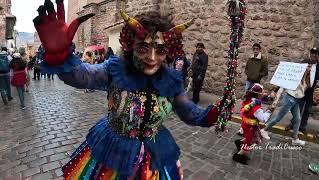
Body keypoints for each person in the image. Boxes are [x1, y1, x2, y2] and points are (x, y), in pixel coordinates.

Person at [33, 1, 220, 179]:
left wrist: (209, 115)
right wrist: (61, 56)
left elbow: (188, 111)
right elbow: (83, 76)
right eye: (143, 48)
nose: (152, 57)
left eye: (160, 50)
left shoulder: (171, 81)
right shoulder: (115, 70)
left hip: (154, 152)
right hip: (114, 150)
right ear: (131, 46)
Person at [260, 63, 312, 146]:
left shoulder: (307, 79)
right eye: (307, 66)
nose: (308, 68)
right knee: (278, 118)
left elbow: (305, 90)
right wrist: (275, 91)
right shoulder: (296, 75)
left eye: (310, 67)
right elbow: (283, 82)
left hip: (296, 100)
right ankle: (264, 130)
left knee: (298, 119)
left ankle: (295, 139)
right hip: (289, 98)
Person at [233, 83, 274, 165]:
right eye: (262, 92)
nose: (263, 93)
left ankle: (240, 142)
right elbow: (263, 118)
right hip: (250, 127)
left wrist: (271, 97)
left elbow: (263, 99)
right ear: (257, 94)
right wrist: (270, 111)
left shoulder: (250, 99)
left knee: (252, 137)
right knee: (249, 141)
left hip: (247, 124)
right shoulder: (255, 108)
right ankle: (239, 156)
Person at [285, 47, 319, 134]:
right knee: (298, 108)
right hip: (302, 89)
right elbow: (297, 74)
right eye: (312, 53)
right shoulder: (304, 62)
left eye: (315, 53)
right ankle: (293, 124)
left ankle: (302, 126)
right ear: (310, 53)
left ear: (318, 55)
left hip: (312, 91)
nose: (314, 55)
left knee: (307, 110)